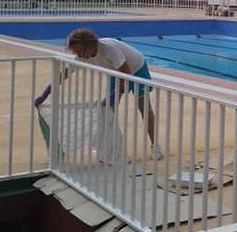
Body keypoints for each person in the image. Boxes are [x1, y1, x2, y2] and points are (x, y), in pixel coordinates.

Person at [35, 28, 163, 160]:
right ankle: (108, 149)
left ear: (90, 45)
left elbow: (126, 72)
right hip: (116, 71)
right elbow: (64, 74)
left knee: (144, 109)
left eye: (81, 52)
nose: (80, 56)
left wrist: (115, 94)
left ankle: (155, 146)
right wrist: (45, 94)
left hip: (136, 68)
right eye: (77, 53)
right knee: (107, 110)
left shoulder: (110, 48)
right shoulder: (83, 56)